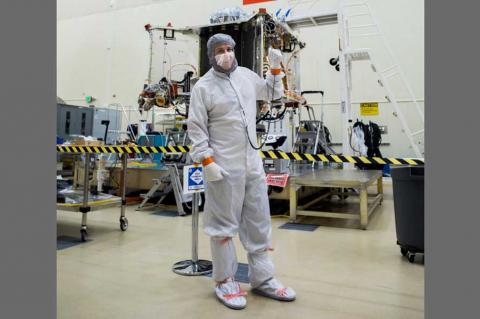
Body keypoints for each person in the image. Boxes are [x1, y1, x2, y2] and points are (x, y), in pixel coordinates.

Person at [187, 33, 296, 310]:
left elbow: (272, 94)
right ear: (211, 55)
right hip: (223, 167)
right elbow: (196, 127)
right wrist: (207, 161)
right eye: (220, 50)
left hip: (252, 163)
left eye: (229, 49)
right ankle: (224, 281)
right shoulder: (204, 87)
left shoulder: (246, 76)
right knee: (223, 227)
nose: (226, 53)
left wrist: (274, 69)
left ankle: (264, 279)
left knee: (258, 221)